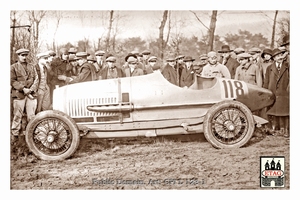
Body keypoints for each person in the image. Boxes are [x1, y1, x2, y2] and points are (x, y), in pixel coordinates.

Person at [11, 48, 39, 137]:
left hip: (31, 94)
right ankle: (15, 134)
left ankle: (31, 133)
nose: (24, 57)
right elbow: (12, 81)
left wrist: (31, 89)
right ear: (18, 56)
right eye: (22, 55)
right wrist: (23, 89)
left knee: (31, 115)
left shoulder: (31, 66)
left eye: (26, 55)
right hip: (19, 95)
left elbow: (36, 79)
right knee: (17, 116)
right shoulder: (13, 67)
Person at [263, 48, 289, 137]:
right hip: (272, 92)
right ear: (273, 58)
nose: (280, 57)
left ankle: (285, 130)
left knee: (285, 112)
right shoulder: (269, 68)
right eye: (277, 56)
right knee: (274, 111)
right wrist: (265, 92)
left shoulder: (288, 66)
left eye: (281, 55)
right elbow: (266, 81)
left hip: (284, 92)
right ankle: (275, 130)